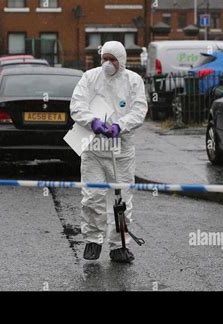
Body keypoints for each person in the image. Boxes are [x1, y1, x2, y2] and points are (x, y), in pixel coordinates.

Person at [70, 41, 148, 263]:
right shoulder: (89, 78)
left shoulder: (133, 81)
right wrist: (91, 121)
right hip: (94, 149)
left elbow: (139, 110)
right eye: (104, 58)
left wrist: (119, 126)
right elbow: (77, 105)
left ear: (121, 61)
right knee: (92, 196)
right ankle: (93, 241)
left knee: (122, 200)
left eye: (112, 59)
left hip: (121, 151)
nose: (107, 63)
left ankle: (119, 246)